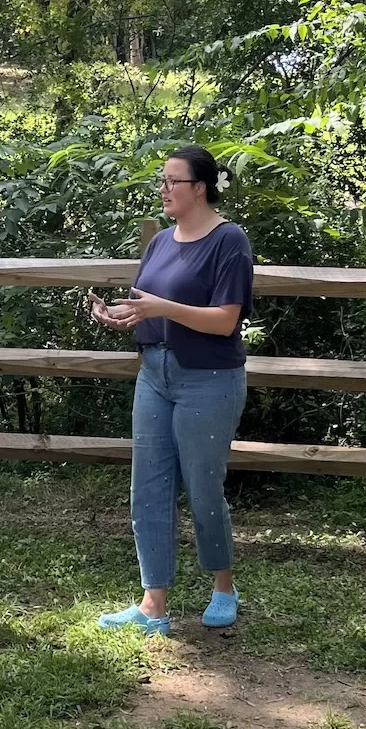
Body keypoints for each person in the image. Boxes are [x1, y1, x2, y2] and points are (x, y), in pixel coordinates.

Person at [92, 145, 253, 634]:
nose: (162, 189)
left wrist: (161, 309)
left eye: (171, 181)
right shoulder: (160, 242)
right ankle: (152, 605)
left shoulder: (230, 241)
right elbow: (148, 305)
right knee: (148, 488)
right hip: (154, 374)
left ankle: (223, 587)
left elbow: (226, 321)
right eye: (161, 181)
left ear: (199, 188)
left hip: (209, 379)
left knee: (204, 489)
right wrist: (120, 315)